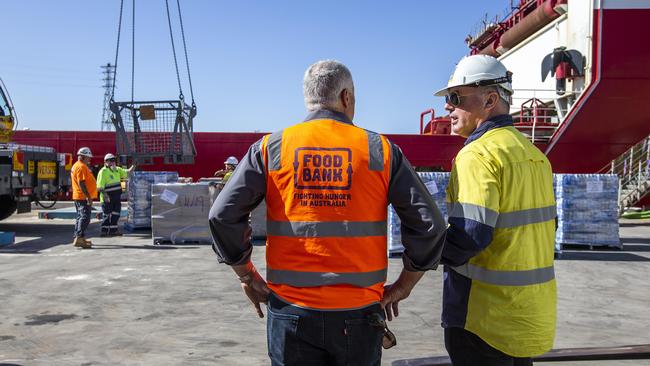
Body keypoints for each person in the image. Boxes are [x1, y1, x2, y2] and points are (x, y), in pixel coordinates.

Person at [209, 60, 446, 366]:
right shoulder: (381, 151)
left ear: (308, 98)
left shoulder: (271, 148)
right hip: (359, 315)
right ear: (346, 97)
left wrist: (247, 276)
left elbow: (222, 215)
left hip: (291, 313)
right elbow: (431, 225)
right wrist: (404, 285)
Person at [434, 54, 557, 365]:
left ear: (489, 99)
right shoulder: (534, 155)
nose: (448, 106)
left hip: (483, 320)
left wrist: (421, 252)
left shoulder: (478, 154)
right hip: (525, 316)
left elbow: (469, 238)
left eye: (455, 97)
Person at [96, 153, 135, 237]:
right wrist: (105, 196)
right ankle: (104, 231)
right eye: (110, 160)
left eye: (113, 160)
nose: (112, 162)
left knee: (116, 214)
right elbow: (100, 187)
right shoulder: (103, 172)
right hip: (107, 198)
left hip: (116, 197)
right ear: (105, 162)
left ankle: (113, 230)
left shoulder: (118, 170)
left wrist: (134, 165)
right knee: (107, 214)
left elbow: (128, 172)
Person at [71, 147, 98, 249]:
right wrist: (88, 197)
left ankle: (79, 237)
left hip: (80, 196)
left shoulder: (78, 166)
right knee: (85, 217)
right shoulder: (81, 167)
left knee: (80, 217)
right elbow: (81, 183)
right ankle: (79, 237)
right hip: (82, 197)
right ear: (82, 157)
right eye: (88, 157)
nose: (89, 159)